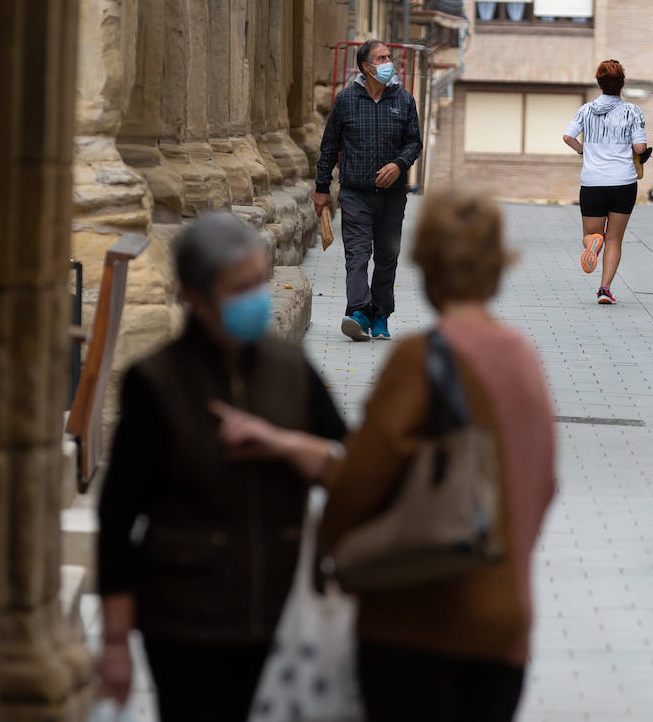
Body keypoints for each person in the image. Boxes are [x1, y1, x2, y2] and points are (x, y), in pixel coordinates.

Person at [211, 191, 557, 722]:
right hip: (504, 621)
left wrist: (327, 552)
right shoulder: (526, 360)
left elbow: (361, 480)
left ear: (425, 265)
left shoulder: (424, 358)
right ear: (495, 266)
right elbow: (543, 484)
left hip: (418, 622)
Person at [95, 213, 348, 721]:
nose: (256, 297)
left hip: (285, 617)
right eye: (241, 288)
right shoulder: (157, 382)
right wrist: (116, 643)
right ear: (197, 297)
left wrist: (283, 444)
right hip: (187, 625)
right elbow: (117, 519)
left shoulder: (290, 369)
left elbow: (352, 466)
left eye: (259, 282)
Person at [314, 39, 423, 342]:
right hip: (355, 193)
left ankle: (380, 314)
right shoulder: (346, 100)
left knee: (387, 256)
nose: (390, 62)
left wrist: (399, 165)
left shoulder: (404, 100)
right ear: (366, 66)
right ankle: (359, 311)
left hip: (392, 196)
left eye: (390, 57)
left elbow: (415, 142)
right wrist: (322, 188)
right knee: (358, 254)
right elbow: (329, 147)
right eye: (382, 57)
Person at [562, 59, 649, 305]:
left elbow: (568, 136)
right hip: (623, 182)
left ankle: (593, 243)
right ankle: (604, 289)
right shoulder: (633, 111)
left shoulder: (586, 110)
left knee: (591, 233)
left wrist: (583, 151)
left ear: (599, 83)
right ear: (621, 84)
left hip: (593, 182)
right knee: (615, 239)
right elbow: (639, 147)